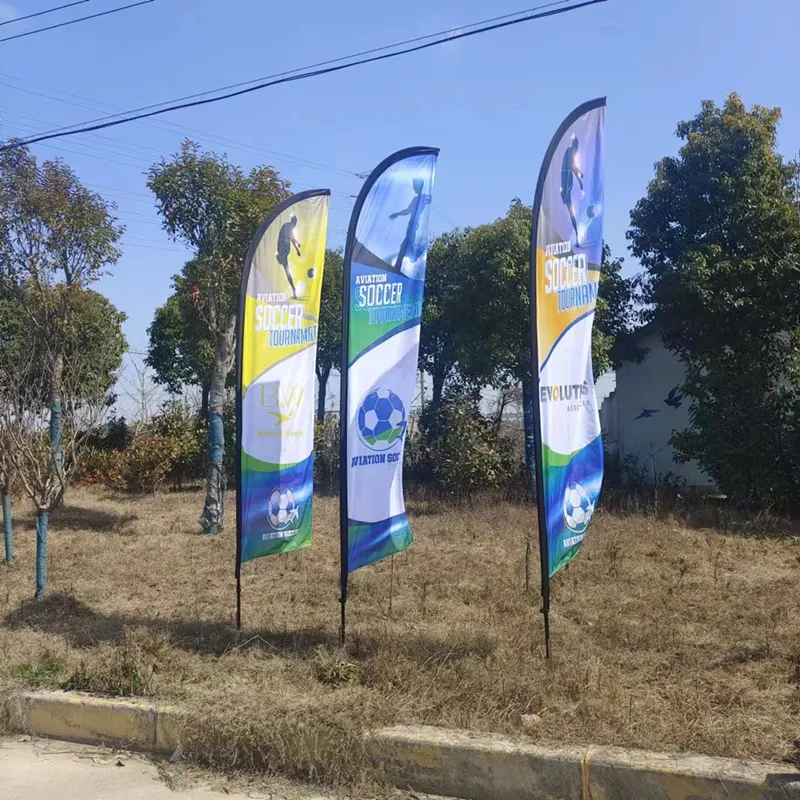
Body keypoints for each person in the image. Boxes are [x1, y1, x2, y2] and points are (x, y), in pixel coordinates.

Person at [389, 177, 431, 275]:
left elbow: (431, 198)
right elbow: (408, 210)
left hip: (414, 225)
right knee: (405, 247)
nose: (414, 188)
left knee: (405, 246)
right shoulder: (416, 199)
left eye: (415, 186)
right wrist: (397, 213)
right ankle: (399, 266)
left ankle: (421, 249)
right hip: (411, 224)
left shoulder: (423, 197)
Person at [560, 135, 584, 240]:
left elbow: (573, 167)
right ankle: (575, 230)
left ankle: (576, 230)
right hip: (566, 179)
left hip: (566, 180)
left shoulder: (571, 153)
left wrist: (580, 180)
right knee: (569, 205)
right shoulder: (570, 151)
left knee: (569, 206)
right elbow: (571, 168)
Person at [277, 215, 301, 298]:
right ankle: (293, 288)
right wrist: (297, 250)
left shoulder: (287, 226)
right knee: (286, 268)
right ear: (293, 222)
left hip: (283, 246)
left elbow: (291, 238)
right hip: (283, 246)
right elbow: (291, 239)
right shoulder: (288, 226)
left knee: (286, 268)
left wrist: (297, 243)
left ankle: (293, 288)